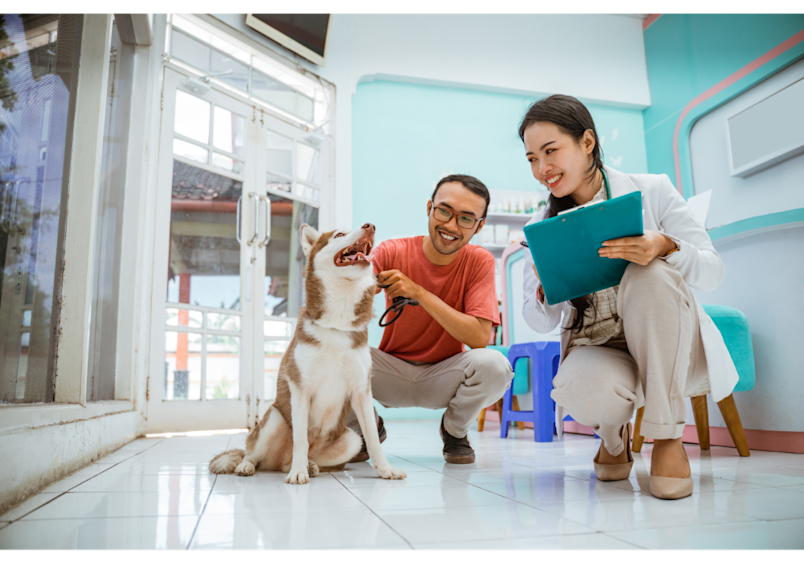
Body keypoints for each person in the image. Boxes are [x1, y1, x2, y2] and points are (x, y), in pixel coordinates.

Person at [519, 95, 738, 500]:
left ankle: (667, 437)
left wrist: (666, 245)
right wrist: (544, 289)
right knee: (579, 388)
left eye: (551, 151)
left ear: (587, 142)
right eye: (532, 158)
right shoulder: (541, 226)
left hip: (668, 342)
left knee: (650, 272)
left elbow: (712, 270)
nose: (542, 168)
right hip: (600, 346)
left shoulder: (653, 189)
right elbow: (539, 321)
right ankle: (613, 438)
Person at [348, 174, 513, 464]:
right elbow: (347, 301)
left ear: (480, 225)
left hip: (444, 377)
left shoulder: (479, 261)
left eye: (465, 219)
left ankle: (454, 430)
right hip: (390, 373)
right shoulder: (392, 251)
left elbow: (477, 339)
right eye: (444, 211)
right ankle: (367, 427)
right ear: (429, 207)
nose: (450, 225)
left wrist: (419, 293)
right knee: (335, 355)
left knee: (496, 366)